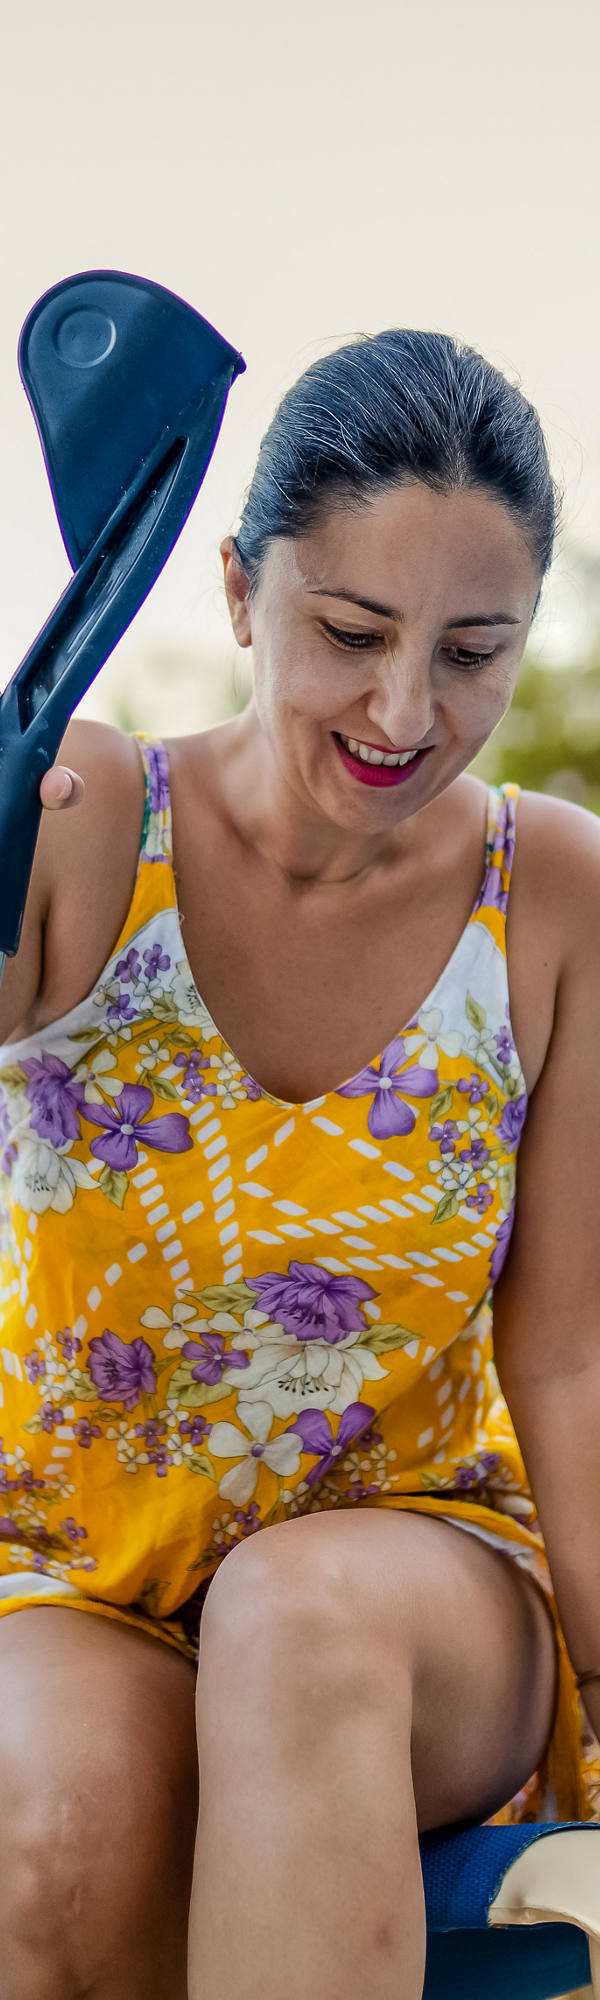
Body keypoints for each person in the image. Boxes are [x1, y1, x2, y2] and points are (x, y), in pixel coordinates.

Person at [0, 325, 598, 2000]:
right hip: (70, 1559)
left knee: (298, 1621)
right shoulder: (67, 819)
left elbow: (569, 1353)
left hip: (415, 1577)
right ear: (240, 590)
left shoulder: (550, 891)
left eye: (475, 651)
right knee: (60, 1818)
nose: (409, 711)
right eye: (351, 632)